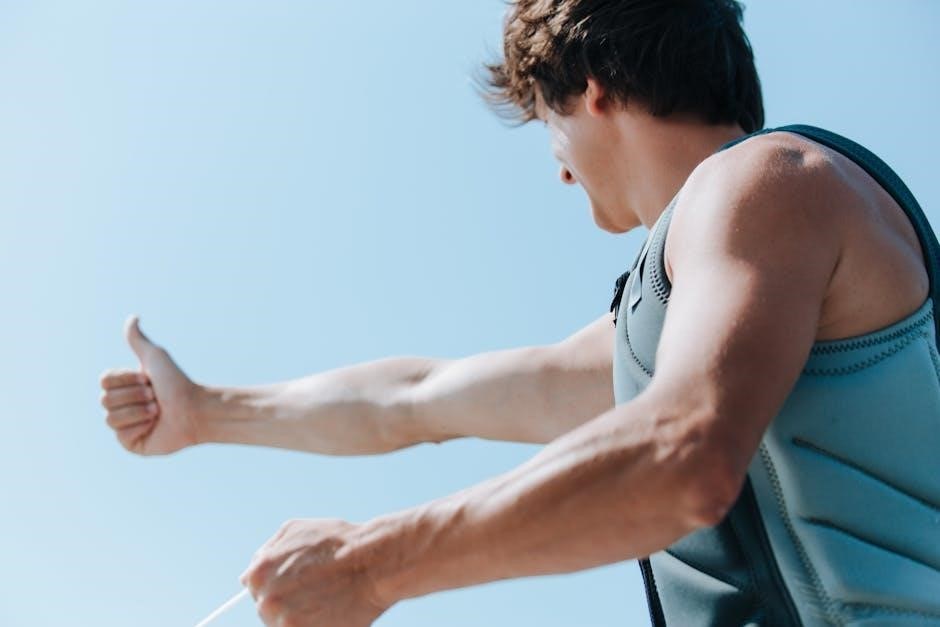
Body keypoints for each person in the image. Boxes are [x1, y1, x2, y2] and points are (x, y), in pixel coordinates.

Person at [98, 1, 940, 625]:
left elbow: (679, 455)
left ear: (594, 90)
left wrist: (368, 564)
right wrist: (207, 412)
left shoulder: (769, 184)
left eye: (548, 123)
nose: (560, 170)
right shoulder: (680, 315)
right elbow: (416, 397)